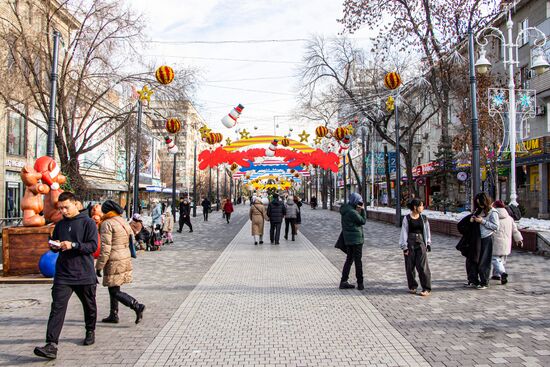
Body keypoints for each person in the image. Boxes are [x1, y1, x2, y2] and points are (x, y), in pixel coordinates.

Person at [34, 192, 98, 360]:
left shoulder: (88, 223)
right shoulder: (60, 225)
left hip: (84, 273)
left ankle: (90, 330)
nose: (63, 211)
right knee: (57, 308)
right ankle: (51, 345)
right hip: (63, 273)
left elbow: (92, 246)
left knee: (89, 305)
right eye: (60, 208)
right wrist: (54, 246)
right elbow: (56, 243)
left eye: (66, 207)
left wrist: (74, 245)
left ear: (76, 204)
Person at [95, 200, 145, 325]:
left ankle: (136, 305)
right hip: (124, 256)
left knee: (114, 290)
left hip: (114, 259)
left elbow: (106, 247)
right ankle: (114, 314)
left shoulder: (107, 223)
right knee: (114, 285)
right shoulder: (122, 221)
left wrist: (99, 266)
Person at [399, 198, 432, 296]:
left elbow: (427, 231)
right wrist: (404, 247)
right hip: (410, 243)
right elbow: (404, 232)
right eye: (421, 205)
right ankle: (413, 286)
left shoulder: (424, 218)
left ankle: (426, 288)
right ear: (415, 207)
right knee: (410, 266)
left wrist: (428, 243)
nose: (422, 207)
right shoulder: (407, 218)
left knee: (422, 266)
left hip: (421, 242)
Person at [467, 192, 500, 290]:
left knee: (484, 261)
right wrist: (472, 219)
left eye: (481, 203)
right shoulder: (478, 210)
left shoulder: (493, 212)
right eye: (477, 203)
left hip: (486, 238)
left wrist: (482, 221)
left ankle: (484, 281)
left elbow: (496, 226)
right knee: (472, 260)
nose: (480, 205)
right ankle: (473, 280)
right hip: (475, 238)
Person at [491, 200, 523, 285]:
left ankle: (502, 273)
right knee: (501, 259)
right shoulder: (510, 218)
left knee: (495, 259)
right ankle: (496, 275)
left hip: (495, 242)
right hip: (506, 243)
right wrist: (519, 240)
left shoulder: (492, 217)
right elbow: (515, 231)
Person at [339, 192, 366, 290]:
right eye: (359, 201)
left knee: (349, 260)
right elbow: (363, 221)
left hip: (348, 240)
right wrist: (362, 210)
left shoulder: (345, 210)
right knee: (358, 262)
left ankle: (343, 281)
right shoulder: (352, 212)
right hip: (356, 240)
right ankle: (360, 283)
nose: (360, 203)